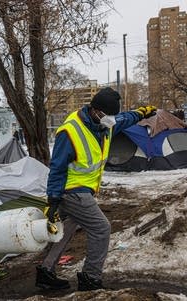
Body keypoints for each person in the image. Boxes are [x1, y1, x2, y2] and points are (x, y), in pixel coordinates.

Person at [37, 87, 157, 291]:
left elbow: (125, 118)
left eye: (113, 116)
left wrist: (141, 113)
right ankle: (90, 277)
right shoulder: (70, 131)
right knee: (102, 229)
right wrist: (53, 199)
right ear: (95, 110)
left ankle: (46, 271)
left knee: (67, 227)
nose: (111, 119)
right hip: (72, 190)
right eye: (108, 115)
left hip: (84, 190)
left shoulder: (105, 123)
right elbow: (57, 167)